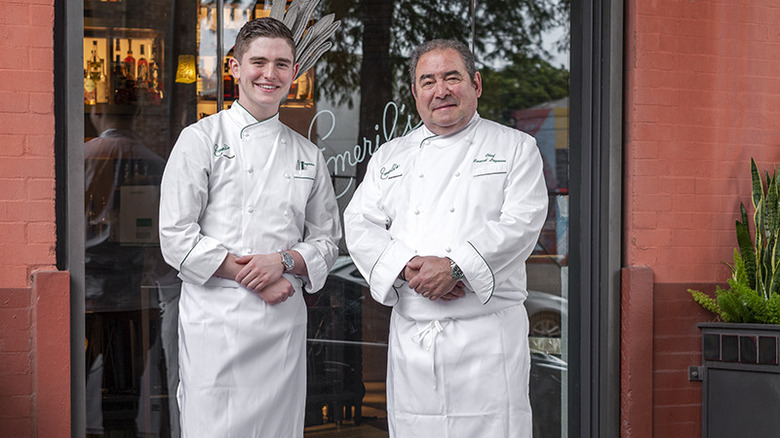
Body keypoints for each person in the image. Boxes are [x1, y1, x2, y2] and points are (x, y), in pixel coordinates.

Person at [344, 39, 548, 438]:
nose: (441, 90)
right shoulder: (390, 155)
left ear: (476, 83)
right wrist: (408, 267)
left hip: (488, 339)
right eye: (428, 81)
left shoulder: (516, 148)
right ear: (416, 93)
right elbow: (359, 224)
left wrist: (456, 268)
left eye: (452, 77)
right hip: (413, 336)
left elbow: (522, 223)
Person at [159, 17, 341, 437]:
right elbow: (175, 236)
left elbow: (327, 240)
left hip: (280, 322)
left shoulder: (308, 155)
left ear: (294, 73)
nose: (269, 74)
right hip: (215, 318)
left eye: (282, 64)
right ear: (234, 67)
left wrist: (284, 261)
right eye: (258, 61)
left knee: (278, 427)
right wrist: (256, 277)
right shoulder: (200, 139)